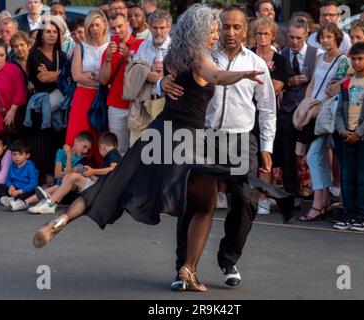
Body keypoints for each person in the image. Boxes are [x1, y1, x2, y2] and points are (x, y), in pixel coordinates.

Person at [32, 4, 285, 293]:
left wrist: (163, 82)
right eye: (215, 29)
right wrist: (239, 75)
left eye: (228, 28)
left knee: (114, 183)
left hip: (163, 134)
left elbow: (175, 81)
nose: (220, 34)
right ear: (201, 31)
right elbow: (214, 77)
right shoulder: (202, 58)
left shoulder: (175, 55)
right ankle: (187, 269)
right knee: (204, 205)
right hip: (192, 140)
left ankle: (62, 218)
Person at [162, 6, 278, 290]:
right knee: (194, 203)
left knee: (245, 199)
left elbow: (267, 109)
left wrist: (266, 145)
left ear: (245, 30)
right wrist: (160, 83)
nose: (229, 32)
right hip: (203, 138)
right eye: (224, 26)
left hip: (240, 139)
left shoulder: (256, 63)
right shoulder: (200, 56)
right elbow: (171, 79)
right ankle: (184, 269)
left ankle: (228, 258)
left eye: (236, 27)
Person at [298, 23, 347, 222]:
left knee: (313, 156)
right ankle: (323, 201)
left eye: (329, 37)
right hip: (314, 112)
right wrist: (307, 105)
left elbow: (344, 83)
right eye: (322, 37)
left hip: (328, 115)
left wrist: (322, 105)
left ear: (337, 38)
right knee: (315, 157)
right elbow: (312, 84)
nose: (325, 40)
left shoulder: (343, 60)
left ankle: (319, 204)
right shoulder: (319, 57)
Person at [333, 42, 364, 232]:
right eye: (353, 58)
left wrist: (359, 133)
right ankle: (348, 214)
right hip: (346, 136)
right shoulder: (346, 84)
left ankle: (361, 217)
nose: (356, 62)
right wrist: (342, 130)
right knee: (347, 177)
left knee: (363, 178)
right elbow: (338, 111)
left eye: (360, 58)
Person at [277, 18, 321, 202]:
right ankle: (291, 193)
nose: (294, 42)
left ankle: (313, 193)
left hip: (308, 111)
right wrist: (289, 82)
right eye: (291, 37)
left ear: (307, 35)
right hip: (287, 110)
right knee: (287, 154)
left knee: (311, 154)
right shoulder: (282, 54)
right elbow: (278, 79)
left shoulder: (316, 53)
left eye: (298, 38)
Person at [249, 16, 288, 215]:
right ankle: (247, 196)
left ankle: (264, 197)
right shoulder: (247, 56)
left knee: (266, 158)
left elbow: (274, 88)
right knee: (247, 158)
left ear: (273, 36)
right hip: (247, 113)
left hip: (268, 114)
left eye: (266, 33)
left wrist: (250, 85)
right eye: (259, 33)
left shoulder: (279, 60)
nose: (262, 37)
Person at [64, 10, 109, 167]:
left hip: (102, 97)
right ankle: (71, 170)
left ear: (104, 25)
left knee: (99, 134)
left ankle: (97, 172)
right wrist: (99, 79)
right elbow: (76, 76)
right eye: (91, 26)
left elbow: (110, 79)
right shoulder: (80, 47)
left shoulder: (110, 47)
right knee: (78, 133)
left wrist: (91, 76)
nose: (94, 29)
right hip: (83, 96)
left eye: (97, 25)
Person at [26, 19, 67, 184]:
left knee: (56, 141)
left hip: (59, 105)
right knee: (40, 145)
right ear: (41, 35)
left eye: (55, 32)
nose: (52, 35)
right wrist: (61, 73)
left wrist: (55, 73)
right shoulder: (35, 54)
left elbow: (68, 76)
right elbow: (42, 78)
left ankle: (54, 179)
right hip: (40, 106)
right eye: (48, 32)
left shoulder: (61, 55)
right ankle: (40, 181)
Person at [11, 130, 92, 212]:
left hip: (71, 193)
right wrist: (70, 170)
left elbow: (69, 176)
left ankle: (35, 202)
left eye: (88, 149)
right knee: (56, 186)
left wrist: (68, 157)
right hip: (58, 187)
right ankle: (33, 202)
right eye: (84, 147)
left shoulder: (84, 159)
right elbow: (57, 174)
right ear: (76, 142)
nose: (86, 151)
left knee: (60, 184)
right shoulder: (61, 152)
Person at [99, 13, 144, 155]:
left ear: (128, 25)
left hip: (137, 104)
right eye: (113, 28)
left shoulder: (141, 44)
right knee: (119, 149)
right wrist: (107, 59)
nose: (117, 31)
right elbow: (103, 80)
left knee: (138, 147)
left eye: (120, 26)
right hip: (116, 105)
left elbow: (143, 73)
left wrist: (128, 57)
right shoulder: (108, 50)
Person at [130, 9, 171, 144]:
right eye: (155, 27)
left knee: (160, 148)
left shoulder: (175, 47)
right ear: (149, 26)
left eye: (162, 28)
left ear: (169, 27)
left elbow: (177, 77)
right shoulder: (144, 45)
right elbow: (134, 72)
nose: (158, 31)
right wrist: (151, 72)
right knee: (136, 145)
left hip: (165, 103)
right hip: (142, 102)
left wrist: (147, 73)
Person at [0, 39, 27, 138]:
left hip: (7, 119)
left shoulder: (14, 70)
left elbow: (20, 92)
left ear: (6, 55)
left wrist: (12, 111)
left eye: (2, 55)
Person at [0, 140, 38, 208]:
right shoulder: (12, 165)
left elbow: (33, 184)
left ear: (27, 155)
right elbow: (8, 179)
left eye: (20, 154)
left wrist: (20, 191)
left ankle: (15, 201)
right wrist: (11, 186)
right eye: (14, 154)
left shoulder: (30, 167)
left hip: (25, 189)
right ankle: (4, 198)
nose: (17, 157)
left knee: (29, 194)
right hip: (14, 189)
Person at [0, 132, 12, 203]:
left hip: (8, 185)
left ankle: (2, 197)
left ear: (4, 146)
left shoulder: (8, 155)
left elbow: (2, 178)